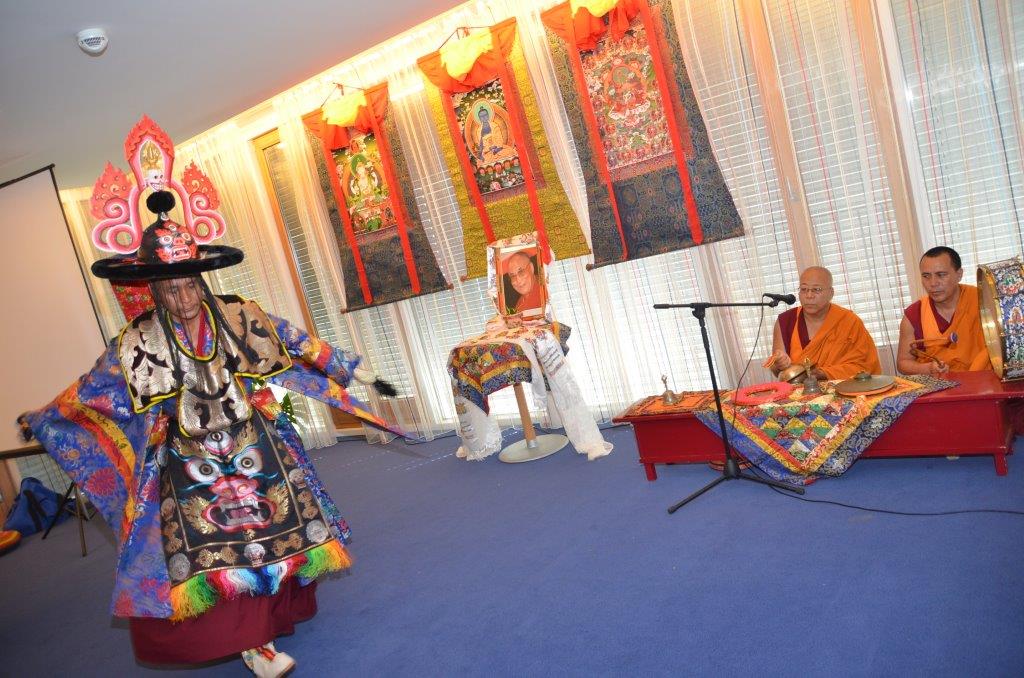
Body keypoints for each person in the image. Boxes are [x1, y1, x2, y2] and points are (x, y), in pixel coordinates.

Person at [18, 178, 399, 673]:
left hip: (252, 441)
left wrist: (351, 367)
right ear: (155, 290)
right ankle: (255, 646)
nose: (182, 298)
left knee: (277, 528)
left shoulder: (238, 314)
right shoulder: (137, 339)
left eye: (189, 285)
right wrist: (45, 414)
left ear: (201, 280)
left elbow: (293, 339)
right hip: (186, 459)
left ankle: (273, 620)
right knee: (218, 550)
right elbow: (94, 389)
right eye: (170, 289)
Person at [767, 266, 881, 381]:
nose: (809, 295)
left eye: (817, 289)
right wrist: (779, 364)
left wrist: (823, 373)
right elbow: (778, 372)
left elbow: (864, 366)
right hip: (799, 391)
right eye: (804, 289)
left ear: (831, 293)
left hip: (842, 389)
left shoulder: (849, 321)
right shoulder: (786, 321)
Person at [896, 245, 992, 375]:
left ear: (959, 275)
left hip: (985, 381)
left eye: (941, 275)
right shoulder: (914, 315)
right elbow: (903, 362)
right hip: (939, 385)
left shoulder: (984, 301)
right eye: (926, 276)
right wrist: (929, 368)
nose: (933, 283)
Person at [502, 251, 544, 315]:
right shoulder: (520, 302)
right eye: (512, 276)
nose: (518, 280)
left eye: (521, 271)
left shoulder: (543, 291)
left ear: (531, 268)